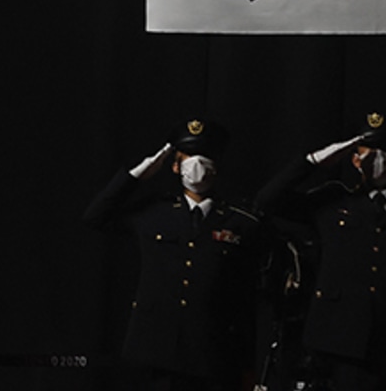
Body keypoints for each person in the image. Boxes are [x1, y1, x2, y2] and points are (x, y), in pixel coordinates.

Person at [256, 113, 386, 391]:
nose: (378, 160)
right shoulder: (333, 201)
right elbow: (266, 202)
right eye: (368, 153)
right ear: (354, 160)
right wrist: (313, 162)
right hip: (336, 345)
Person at [82, 120, 264, 391]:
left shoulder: (240, 222)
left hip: (211, 354)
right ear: (176, 167)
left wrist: (247, 363)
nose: (197, 166)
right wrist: (138, 174)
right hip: (156, 353)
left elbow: (245, 298)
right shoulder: (154, 213)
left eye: (205, 158)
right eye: (188, 159)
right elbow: (95, 217)